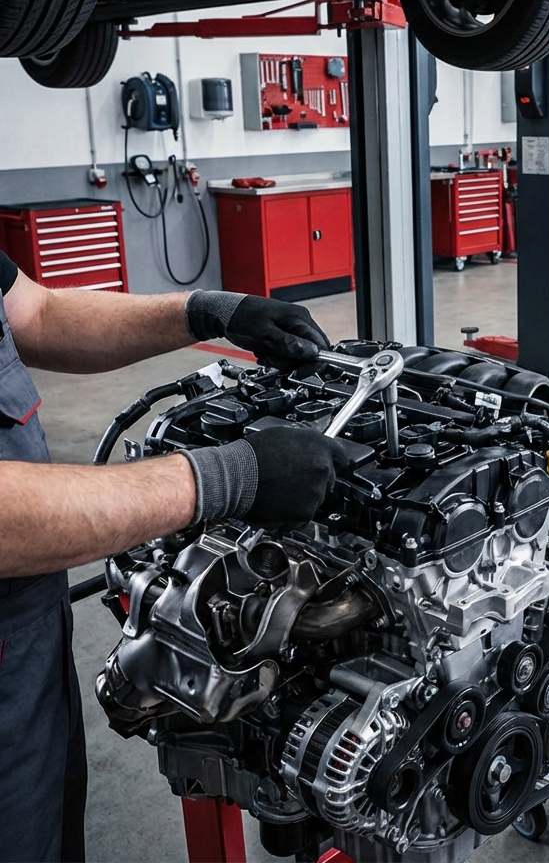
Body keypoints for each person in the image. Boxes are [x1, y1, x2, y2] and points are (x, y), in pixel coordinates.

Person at [0, 251, 348, 863]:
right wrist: (223, 478)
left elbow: (36, 314)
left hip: (28, 612)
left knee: (50, 819)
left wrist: (205, 311)